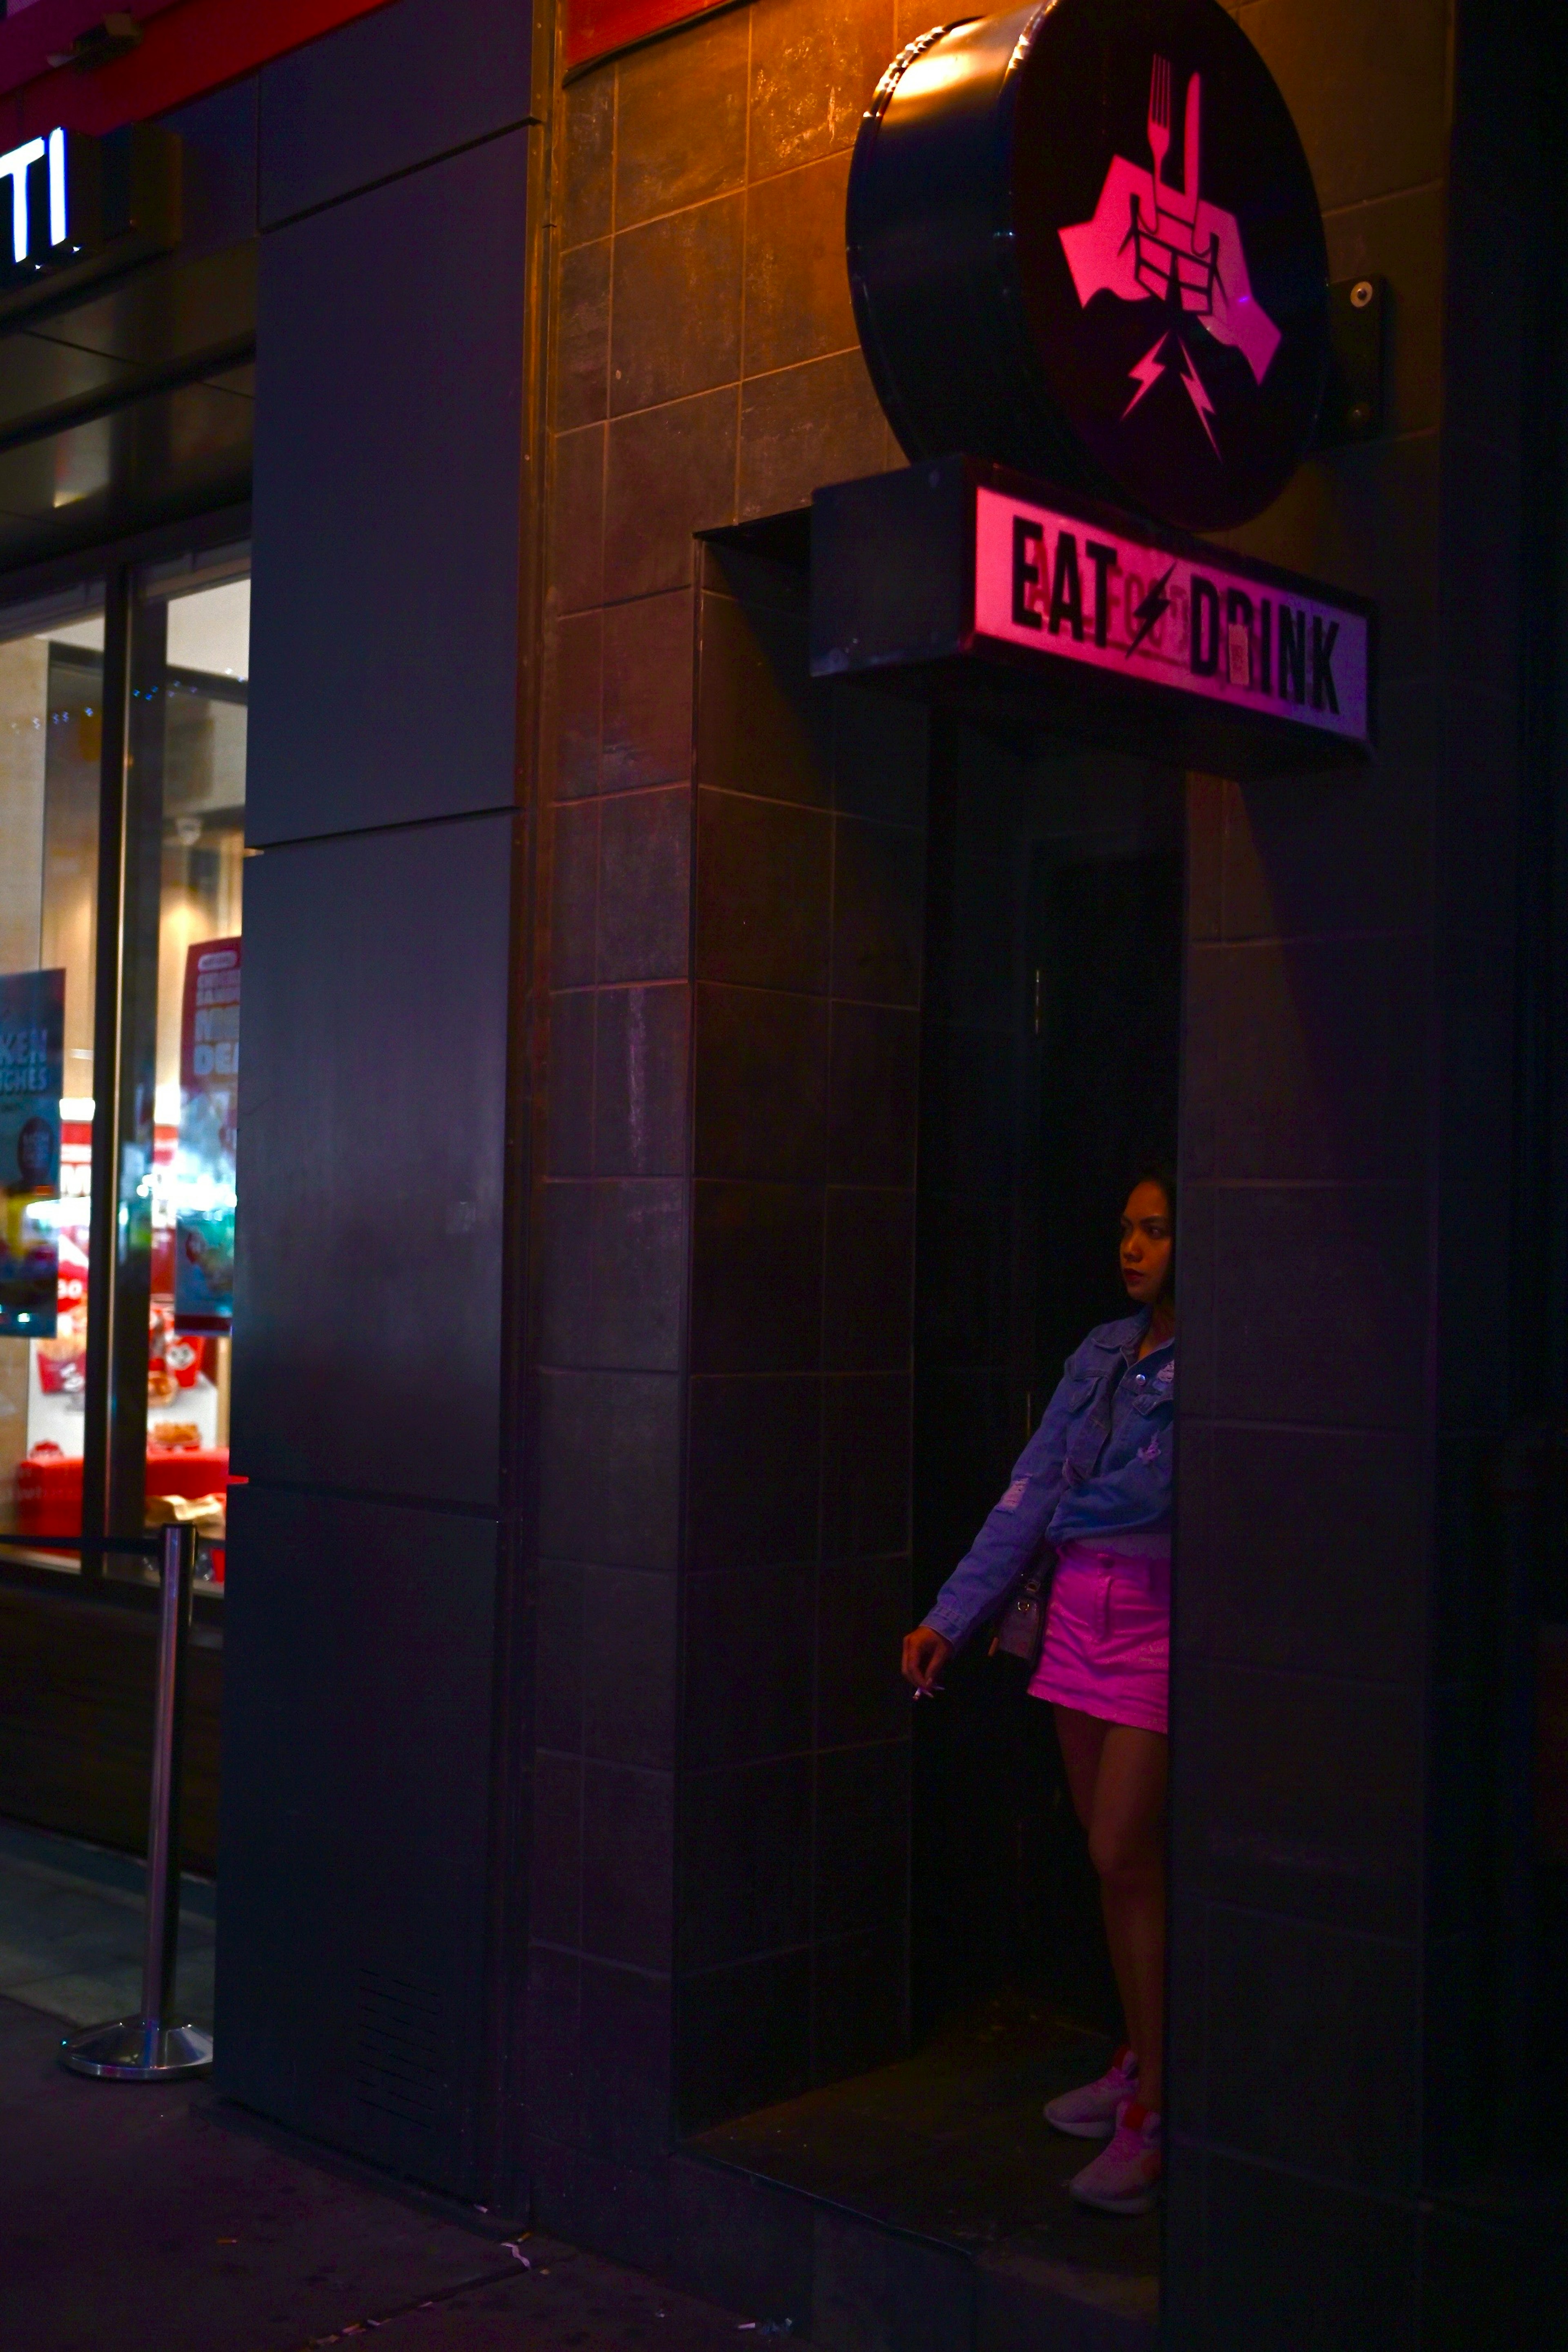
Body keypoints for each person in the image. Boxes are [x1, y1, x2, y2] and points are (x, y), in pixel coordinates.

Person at [901, 1169, 1175, 2218]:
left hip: (1158, 1611)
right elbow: (1031, 1490)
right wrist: (951, 1617)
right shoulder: (1105, 1352)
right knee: (1110, 1863)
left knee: (1124, 1848)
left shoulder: (1213, 1354)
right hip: (1078, 1607)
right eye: (1126, 1230)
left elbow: (1135, 1491)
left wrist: (1082, 1495)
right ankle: (1143, 2064)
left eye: (1156, 1230)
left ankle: (1160, 2111)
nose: (1134, 1247)